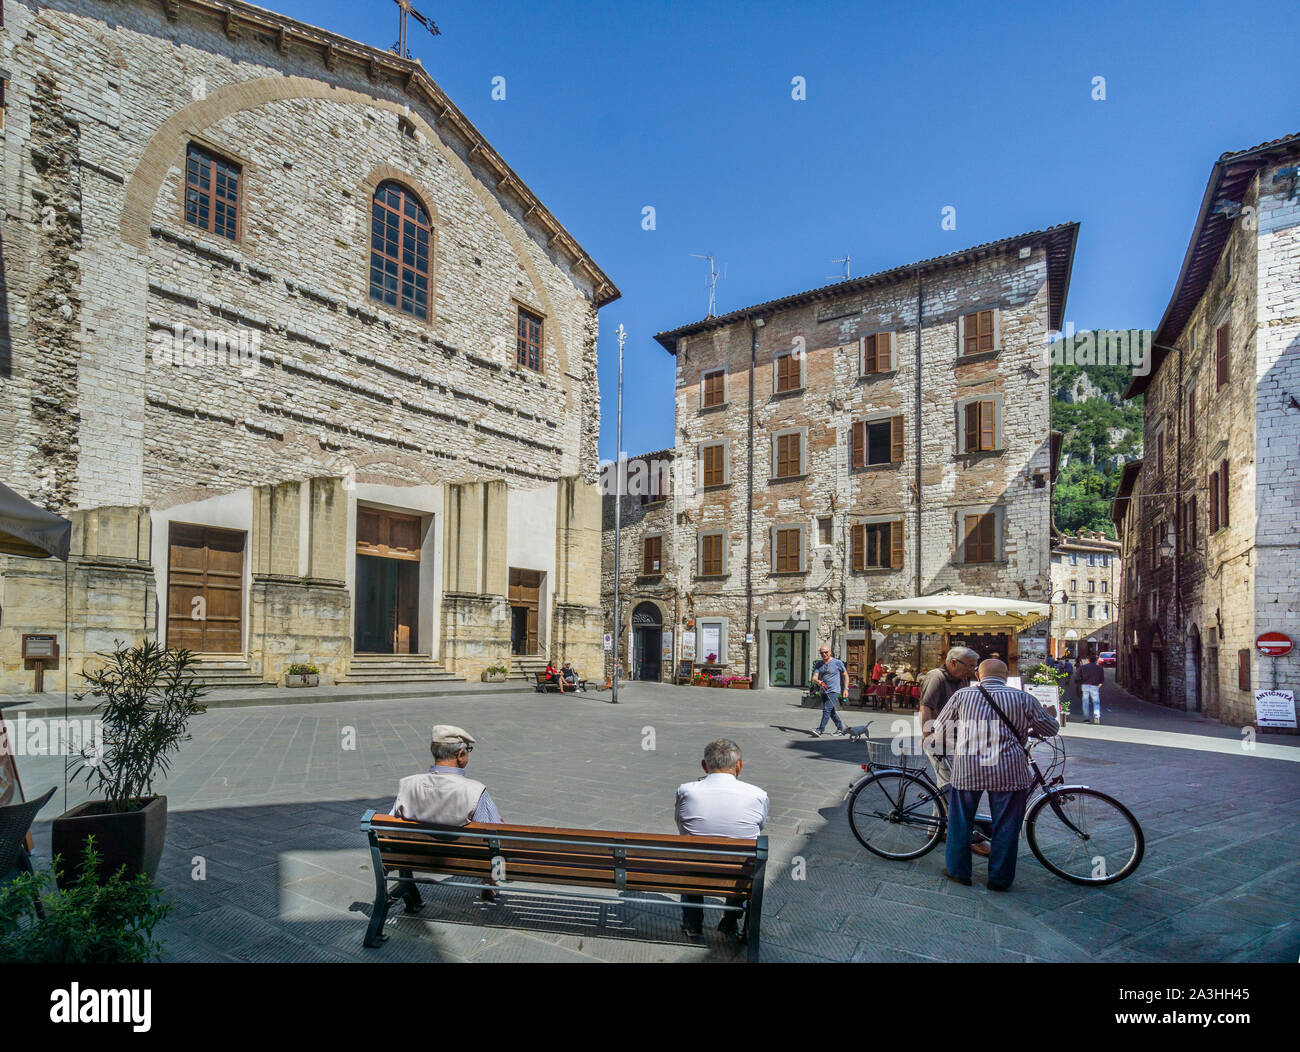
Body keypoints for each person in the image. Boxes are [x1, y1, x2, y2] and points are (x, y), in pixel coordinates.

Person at [933, 659, 1059, 891]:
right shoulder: (1022, 698)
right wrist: (1046, 716)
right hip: (1009, 769)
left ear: (979, 676)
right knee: (1007, 825)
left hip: (968, 767)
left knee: (960, 821)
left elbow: (940, 727)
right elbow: (1051, 729)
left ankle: (958, 871)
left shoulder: (963, 695)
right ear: (1006, 675)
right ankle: (999, 879)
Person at [391, 725, 502, 901]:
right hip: (467, 860)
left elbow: (391, 825)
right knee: (493, 837)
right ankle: (489, 880)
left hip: (415, 857)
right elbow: (496, 835)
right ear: (460, 755)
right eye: (468, 751)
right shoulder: (475, 791)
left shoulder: (407, 785)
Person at [675, 739, 769, 938]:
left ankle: (692, 924)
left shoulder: (686, 791)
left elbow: (681, 825)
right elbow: (759, 826)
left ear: (704, 765)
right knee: (746, 863)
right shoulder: (758, 795)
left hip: (697, 867)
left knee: (691, 856)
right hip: (738, 872)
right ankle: (730, 921)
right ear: (739, 765)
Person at [918, 647, 989, 857]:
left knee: (945, 787)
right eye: (970, 666)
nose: (973, 671)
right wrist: (928, 737)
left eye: (975, 667)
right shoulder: (936, 677)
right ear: (954, 662)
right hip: (940, 741)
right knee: (953, 789)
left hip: (956, 741)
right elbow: (926, 708)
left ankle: (936, 830)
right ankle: (968, 836)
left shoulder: (962, 679)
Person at [810, 643, 848, 737]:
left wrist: (846, 689)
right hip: (823, 691)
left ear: (830, 652)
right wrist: (817, 681)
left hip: (834, 690)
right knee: (831, 711)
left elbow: (845, 675)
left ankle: (820, 730)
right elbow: (814, 677)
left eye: (826, 652)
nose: (824, 654)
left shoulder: (837, 663)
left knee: (826, 709)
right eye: (822, 653)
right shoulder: (819, 664)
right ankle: (841, 728)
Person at [1077, 654, 1104, 724]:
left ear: (1088, 660)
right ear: (1095, 660)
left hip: (1085, 685)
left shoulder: (1083, 667)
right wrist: (1098, 686)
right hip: (1095, 686)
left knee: (1085, 702)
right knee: (1096, 702)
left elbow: (1078, 678)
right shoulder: (1100, 668)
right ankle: (1096, 716)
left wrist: (1079, 685)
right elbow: (1102, 680)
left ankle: (1086, 718)